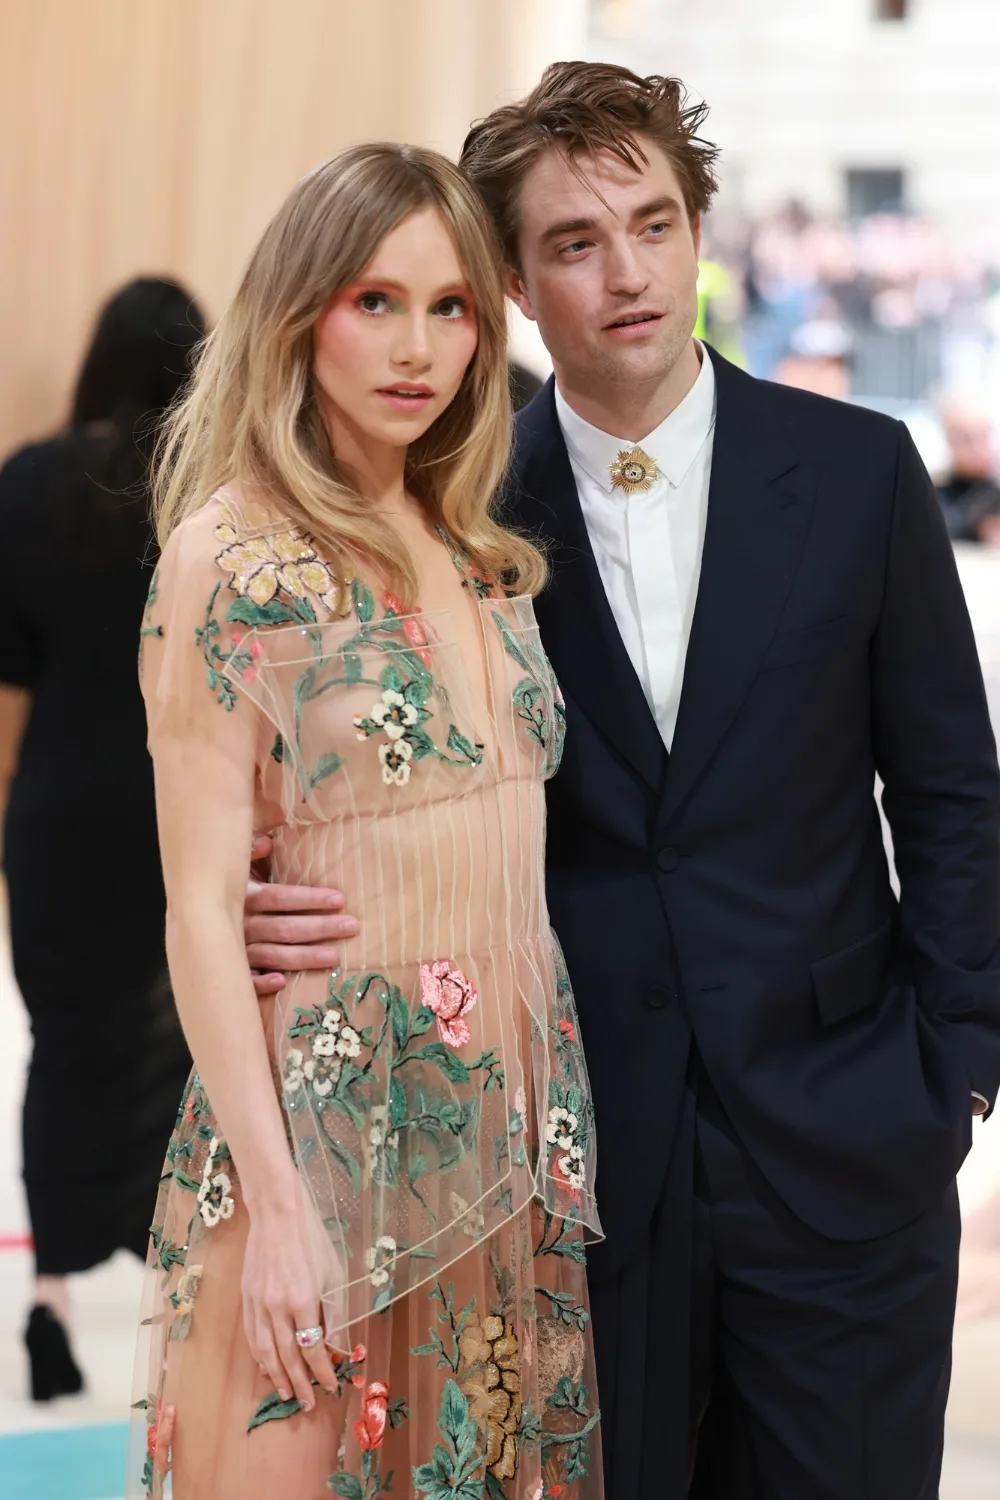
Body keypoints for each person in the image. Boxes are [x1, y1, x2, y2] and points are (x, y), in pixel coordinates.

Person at [248, 64, 1000, 1499]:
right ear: (519, 287)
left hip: (848, 1133)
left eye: (653, 224)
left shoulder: (859, 471)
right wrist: (263, 896)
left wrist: (954, 1063)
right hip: (574, 1162)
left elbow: (955, 791)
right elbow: (370, 788)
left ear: (701, 235)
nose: (627, 274)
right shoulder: (453, 522)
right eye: (576, 245)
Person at [129, 144, 603, 1500]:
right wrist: (281, 1209)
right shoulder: (234, 557)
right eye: (374, 301)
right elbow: (204, 904)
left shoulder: (473, 547)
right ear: (299, 315)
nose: (419, 347)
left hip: (503, 1124)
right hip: (325, 1126)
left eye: (452, 307)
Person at [0, 278, 206, 1400]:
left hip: (62, 813)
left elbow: (12, 656)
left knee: (63, 1045)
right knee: (189, 1051)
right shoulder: (215, 486)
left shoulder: (32, 480)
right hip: (189, 809)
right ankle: (175, 1301)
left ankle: (49, 1303)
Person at [935, 400, 1000, 544]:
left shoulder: (995, 494)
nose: (976, 447)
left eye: (981, 437)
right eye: (967, 439)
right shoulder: (935, 490)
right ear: (950, 441)